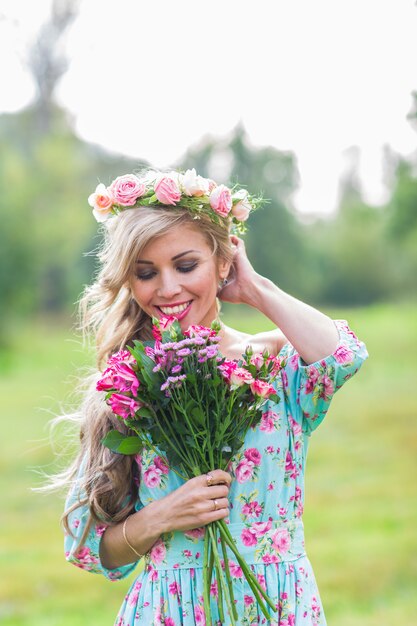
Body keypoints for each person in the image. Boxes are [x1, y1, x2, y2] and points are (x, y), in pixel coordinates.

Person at [62, 167, 368, 626]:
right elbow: (89, 548)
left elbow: (343, 355)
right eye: (146, 273)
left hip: (276, 604)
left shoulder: (273, 362)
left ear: (223, 262)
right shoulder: (128, 382)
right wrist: (161, 516)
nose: (167, 289)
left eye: (186, 266)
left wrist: (256, 289)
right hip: (169, 609)